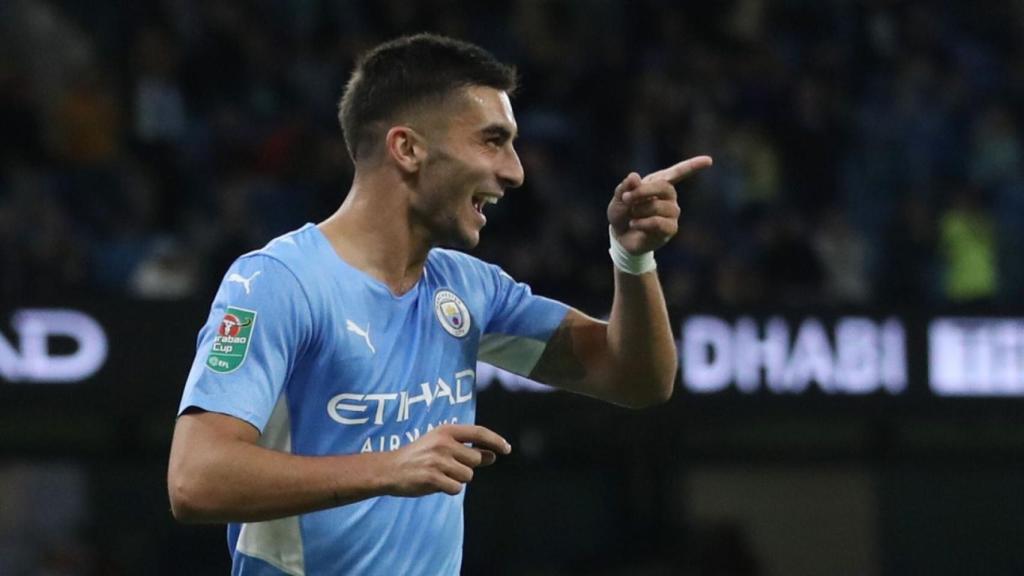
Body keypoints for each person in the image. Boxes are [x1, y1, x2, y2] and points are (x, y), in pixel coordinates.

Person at [167, 33, 712, 575]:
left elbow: (636, 380)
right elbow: (196, 480)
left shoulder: (470, 289)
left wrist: (633, 259)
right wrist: (388, 468)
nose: (515, 171)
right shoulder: (279, 283)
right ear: (407, 148)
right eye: (492, 140)